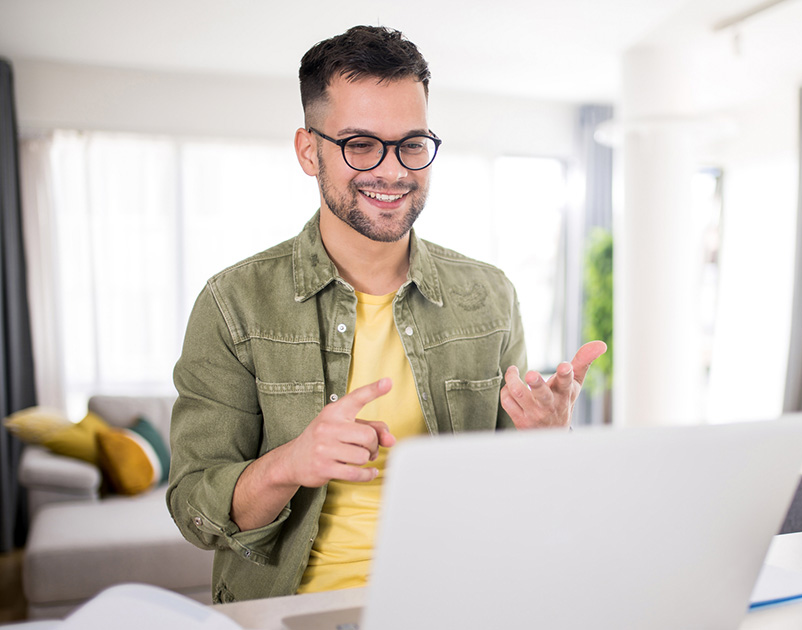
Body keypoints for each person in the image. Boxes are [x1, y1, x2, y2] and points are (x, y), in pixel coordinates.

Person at [166, 25, 606, 604]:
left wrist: (549, 440)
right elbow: (194, 507)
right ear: (308, 151)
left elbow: (520, 497)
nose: (393, 171)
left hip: (460, 600)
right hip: (298, 609)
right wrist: (290, 463)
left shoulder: (491, 296)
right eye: (360, 144)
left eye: (411, 143)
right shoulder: (233, 303)